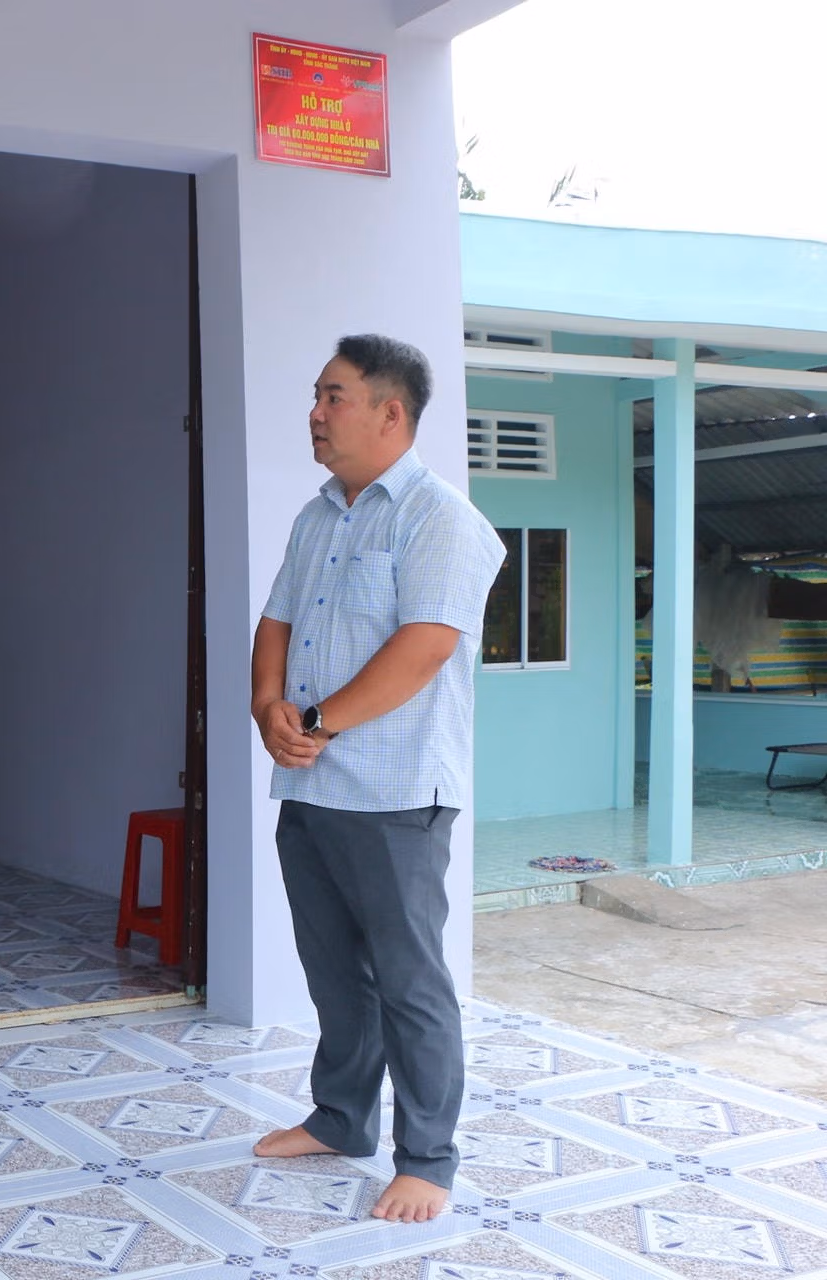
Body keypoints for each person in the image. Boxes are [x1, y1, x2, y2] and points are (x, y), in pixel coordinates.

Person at [249, 334, 505, 1223]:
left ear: (391, 413)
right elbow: (276, 622)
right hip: (311, 787)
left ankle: (428, 1160)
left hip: (396, 795)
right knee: (334, 973)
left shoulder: (441, 519)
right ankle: (340, 1118)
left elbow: (424, 646)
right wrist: (268, 706)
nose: (315, 414)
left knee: (409, 982)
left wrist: (316, 721)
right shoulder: (317, 516)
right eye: (316, 397)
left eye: (334, 397)